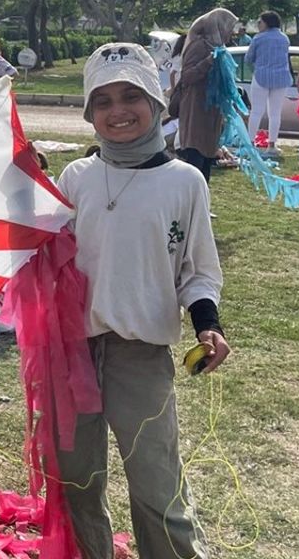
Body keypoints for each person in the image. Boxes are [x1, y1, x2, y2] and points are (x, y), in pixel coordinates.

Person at [55, 42, 227, 559]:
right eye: (102, 101)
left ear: (156, 101)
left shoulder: (184, 182)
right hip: (72, 355)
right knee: (77, 481)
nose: (117, 111)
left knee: (156, 484)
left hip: (141, 354)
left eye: (131, 95)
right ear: (89, 113)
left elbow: (198, 270)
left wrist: (207, 323)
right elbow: (48, 258)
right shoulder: (76, 178)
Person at [175, 8, 238, 183]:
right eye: (228, 27)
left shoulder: (218, 47)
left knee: (208, 158)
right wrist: (209, 61)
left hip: (212, 111)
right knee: (196, 157)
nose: (230, 32)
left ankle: (203, 203)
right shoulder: (199, 45)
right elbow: (187, 76)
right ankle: (192, 203)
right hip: (196, 109)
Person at [244, 11, 293, 157]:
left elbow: (248, 58)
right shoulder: (285, 38)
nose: (258, 24)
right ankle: (272, 145)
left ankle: (250, 143)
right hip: (281, 78)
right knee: (275, 113)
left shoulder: (259, 38)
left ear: (267, 22)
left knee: (256, 111)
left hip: (261, 76)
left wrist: (256, 67)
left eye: (260, 22)